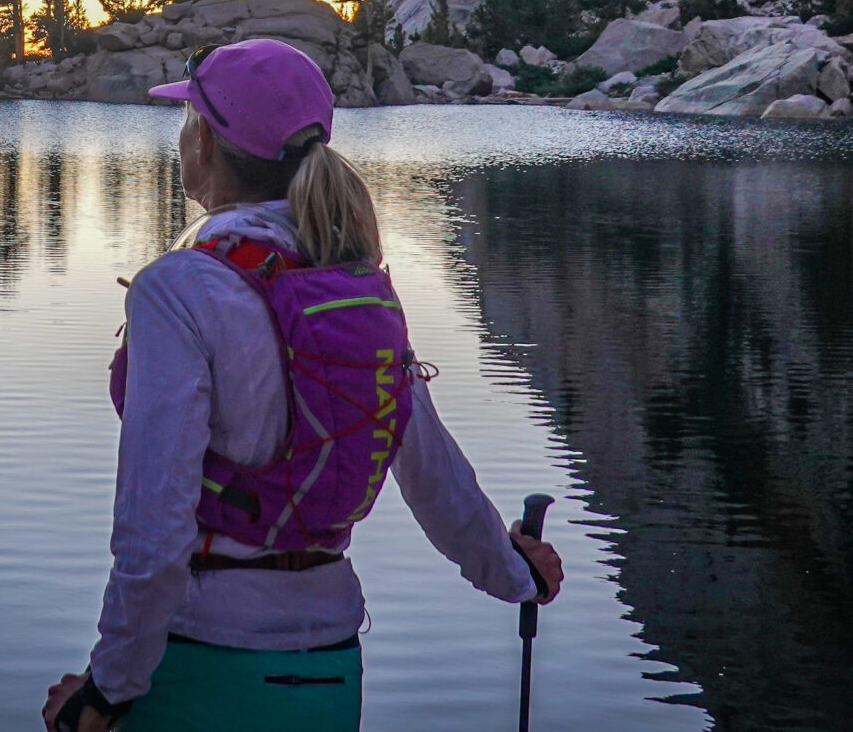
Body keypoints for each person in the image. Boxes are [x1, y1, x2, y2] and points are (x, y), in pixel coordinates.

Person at [43, 38, 562, 732]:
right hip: (329, 667)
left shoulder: (178, 290)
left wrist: (106, 690)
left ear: (204, 143)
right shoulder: (356, 290)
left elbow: (155, 530)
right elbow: (436, 478)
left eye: (189, 117)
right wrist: (515, 574)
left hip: (204, 664)